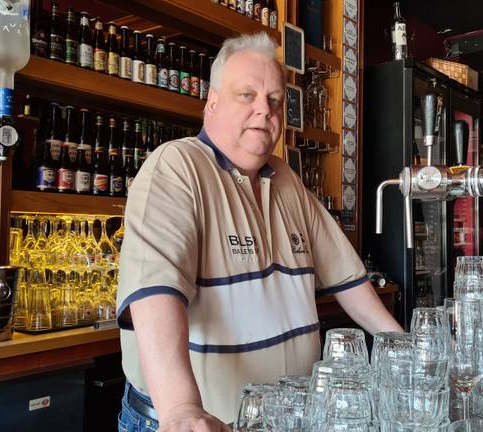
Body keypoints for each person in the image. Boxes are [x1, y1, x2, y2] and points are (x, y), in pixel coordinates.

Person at [116, 32, 403, 431]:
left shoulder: (285, 179)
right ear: (212, 103)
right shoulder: (177, 166)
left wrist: (400, 343)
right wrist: (181, 407)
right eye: (246, 95)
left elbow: (346, 277)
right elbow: (155, 294)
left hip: (284, 418)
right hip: (201, 423)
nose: (264, 111)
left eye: (274, 101)